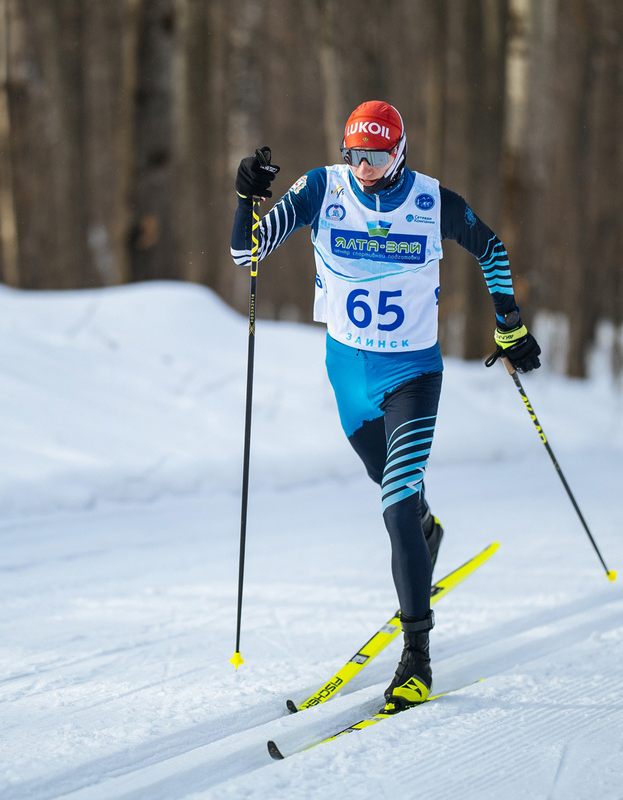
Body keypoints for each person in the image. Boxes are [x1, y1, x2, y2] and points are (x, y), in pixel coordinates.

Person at [230, 100, 540, 712]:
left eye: (375, 155)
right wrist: (246, 199)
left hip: (412, 376)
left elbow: (492, 249)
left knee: (394, 502)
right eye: (355, 154)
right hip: (349, 378)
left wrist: (509, 325)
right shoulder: (322, 189)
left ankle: (416, 657)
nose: (364, 167)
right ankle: (428, 528)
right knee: (388, 482)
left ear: (399, 151)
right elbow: (248, 254)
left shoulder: (430, 201)